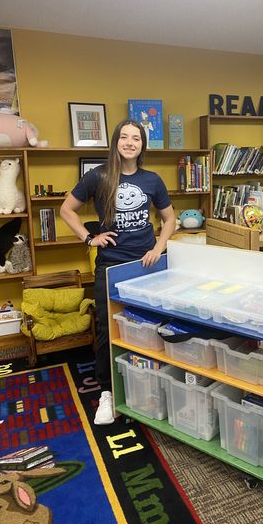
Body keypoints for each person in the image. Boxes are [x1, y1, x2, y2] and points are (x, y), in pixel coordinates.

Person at [60, 119, 176, 425]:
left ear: (142, 146)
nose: (129, 142)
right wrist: (89, 238)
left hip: (147, 266)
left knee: (147, 325)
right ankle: (107, 393)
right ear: (115, 142)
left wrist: (158, 248)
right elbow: (66, 210)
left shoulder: (152, 180)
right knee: (106, 328)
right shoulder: (98, 176)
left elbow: (169, 218)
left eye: (135, 138)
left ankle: (148, 386)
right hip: (111, 266)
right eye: (124, 137)